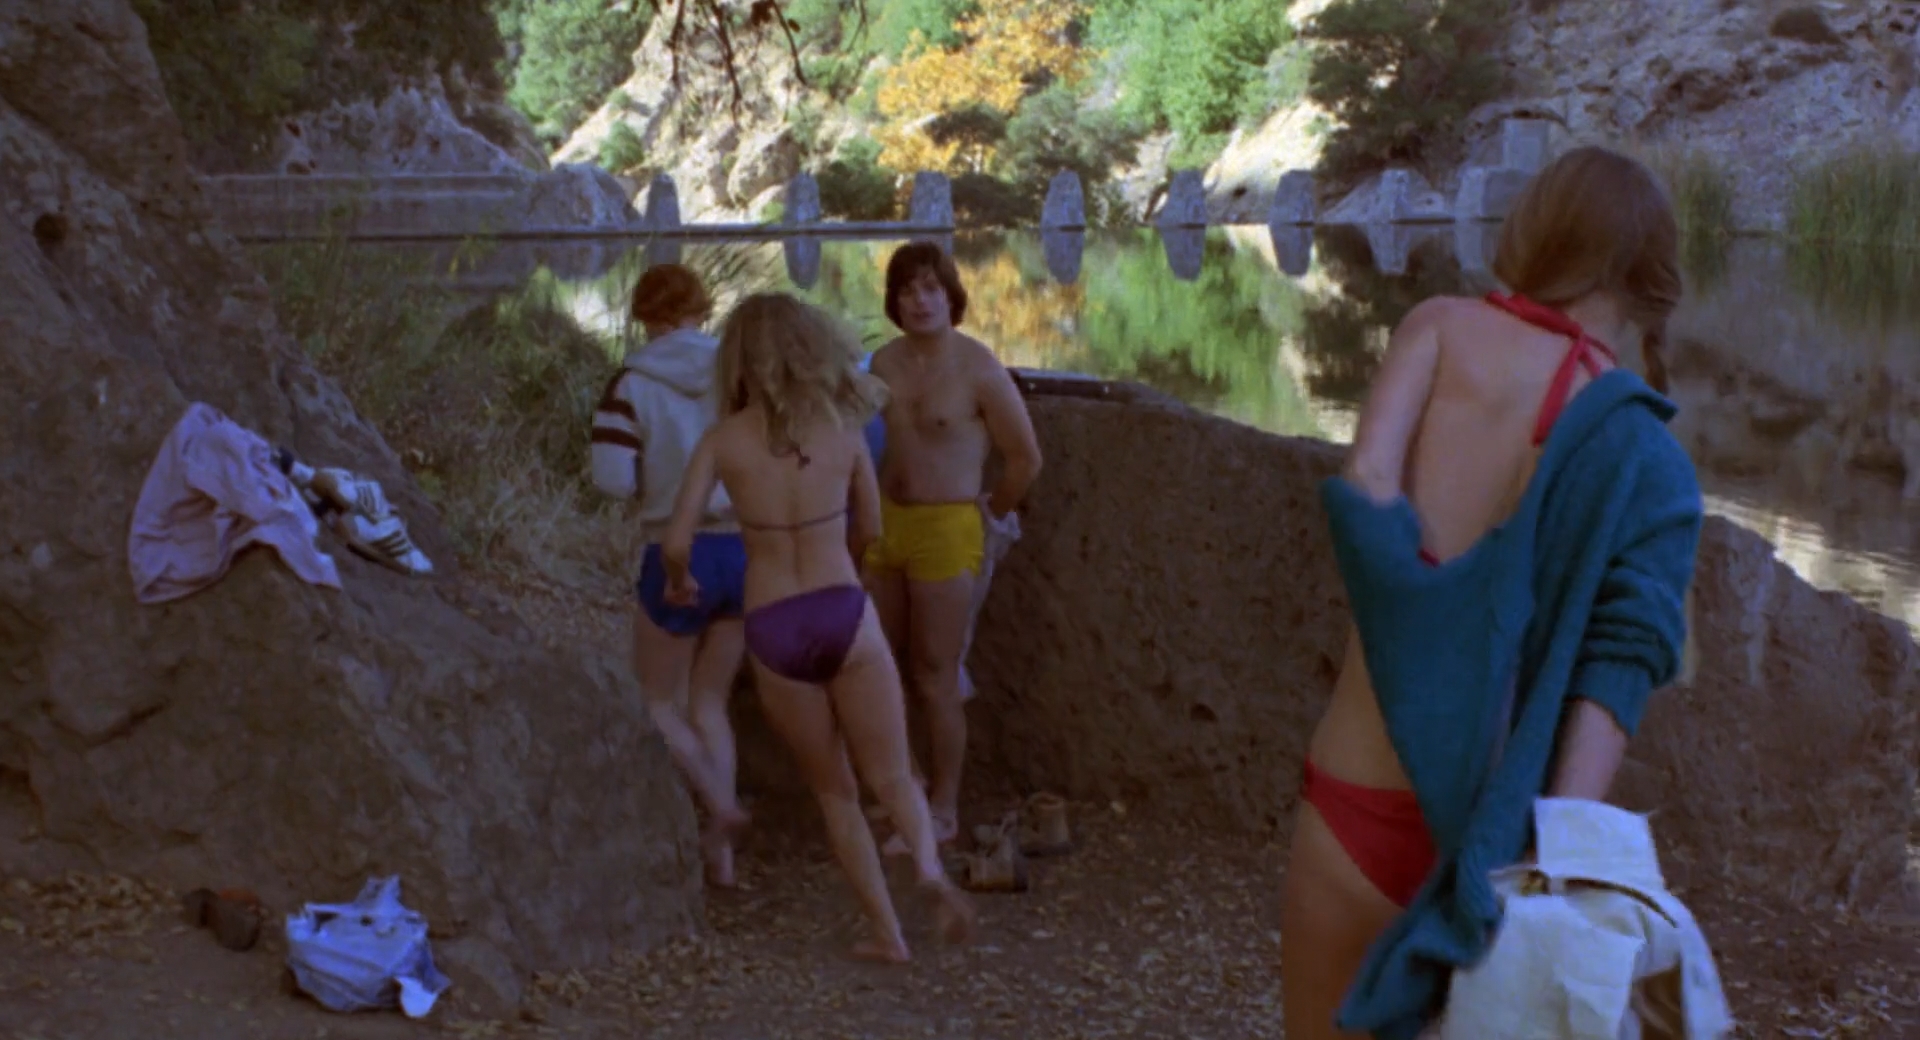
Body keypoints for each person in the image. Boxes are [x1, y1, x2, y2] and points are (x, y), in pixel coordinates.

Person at [1280, 146, 1705, 1040]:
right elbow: (1617, 671)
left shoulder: (1437, 327)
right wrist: (1551, 870)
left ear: (1535, 229)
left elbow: (1365, 488)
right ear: (1648, 280)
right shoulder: (1650, 457)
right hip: (1495, 845)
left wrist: (1423, 638)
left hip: (1353, 803)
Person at [660, 291, 976, 963]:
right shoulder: (842, 427)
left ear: (738, 360)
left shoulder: (723, 440)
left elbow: (677, 540)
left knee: (835, 792)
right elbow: (873, 527)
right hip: (843, 608)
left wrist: (681, 580)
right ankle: (927, 869)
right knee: (893, 774)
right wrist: (851, 569)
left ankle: (888, 935)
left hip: (774, 621)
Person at [861, 241, 1043, 845]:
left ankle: (944, 806)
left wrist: (990, 515)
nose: (919, 301)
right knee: (879, 665)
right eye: (907, 291)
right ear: (894, 301)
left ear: (951, 296)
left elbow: (1025, 459)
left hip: (948, 528)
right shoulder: (882, 363)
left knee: (935, 671)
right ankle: (904, 787)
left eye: (931, 289)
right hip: (887, 523)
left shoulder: (979, 368)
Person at [591, 263, 749, 888]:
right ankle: (723, 860)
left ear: (643, 315)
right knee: (710, 701)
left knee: (656, 700)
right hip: (743, 550)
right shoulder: (735, 374)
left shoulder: (631, 383)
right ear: (700, 309)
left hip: (676, 549)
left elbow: (612, 479)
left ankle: (718, 803)